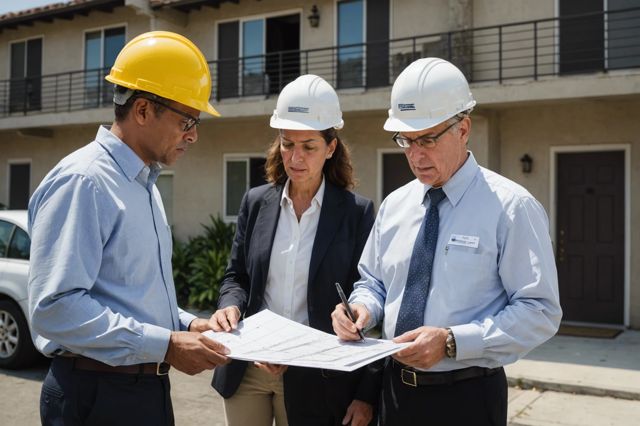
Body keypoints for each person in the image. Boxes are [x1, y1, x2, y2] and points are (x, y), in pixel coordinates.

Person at [331, 58, 562, 426]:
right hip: (394, 393)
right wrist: (361, 309)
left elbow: (540, 311)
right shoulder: (396, 205)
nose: (415, 155)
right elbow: (373, 282)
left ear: (463, 128)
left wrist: (453, 342)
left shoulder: (511, 208)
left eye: (427, 139)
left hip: (467, 398)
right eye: (406, 140)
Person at [28, 31, 230, 426]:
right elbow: (54, 308)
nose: (193, 134)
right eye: (187, 120)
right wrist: (167, 344)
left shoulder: (144, 186)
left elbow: (131, 294)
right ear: (142, 110)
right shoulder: (84, 181)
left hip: (140, 390)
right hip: (96, 393)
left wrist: (187, 324)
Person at [209, 74, 381, 426]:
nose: (295, 157)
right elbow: (236, 277)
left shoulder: (356, 213)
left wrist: (366, 393)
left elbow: (372, 297)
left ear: (331, 148)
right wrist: (229, 305)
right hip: (249, 368)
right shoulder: (256, 202)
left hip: (316, 375)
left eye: (308, 146)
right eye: (287, 144)